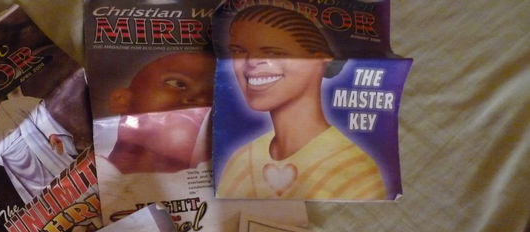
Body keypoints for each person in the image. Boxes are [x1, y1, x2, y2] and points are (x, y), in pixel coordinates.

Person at [216, 5, 386, 200]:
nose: (250, 62)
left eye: (273, 52)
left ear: (320, 60)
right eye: (238, 51)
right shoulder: (241, 160)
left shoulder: (354, 171)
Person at [99, 52, 215, 174]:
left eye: (213, 96)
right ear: (121, 100)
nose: (202, 101)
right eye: (179, 84)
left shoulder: (222, 178)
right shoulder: (94, 170)